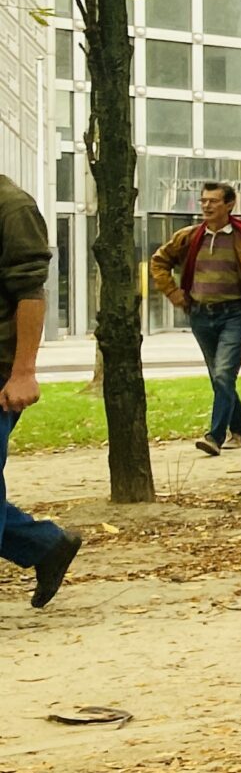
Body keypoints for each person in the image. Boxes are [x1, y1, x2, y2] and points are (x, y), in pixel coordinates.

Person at [149, 181, 241, 454]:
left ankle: (214, 437)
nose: (207, 206)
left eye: (213, 201)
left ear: (230, 204)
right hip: (200, 314)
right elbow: (159, 261)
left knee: (223, 373)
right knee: (218, 376)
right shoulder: (189, 237)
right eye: (204, 201)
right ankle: (239, 428)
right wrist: (172, 291)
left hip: (234, 315)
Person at [0, 174, 77, 608]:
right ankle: (44, 544)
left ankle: (44, 544)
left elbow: (30, 292)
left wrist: (24, 371)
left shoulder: (12, 207)